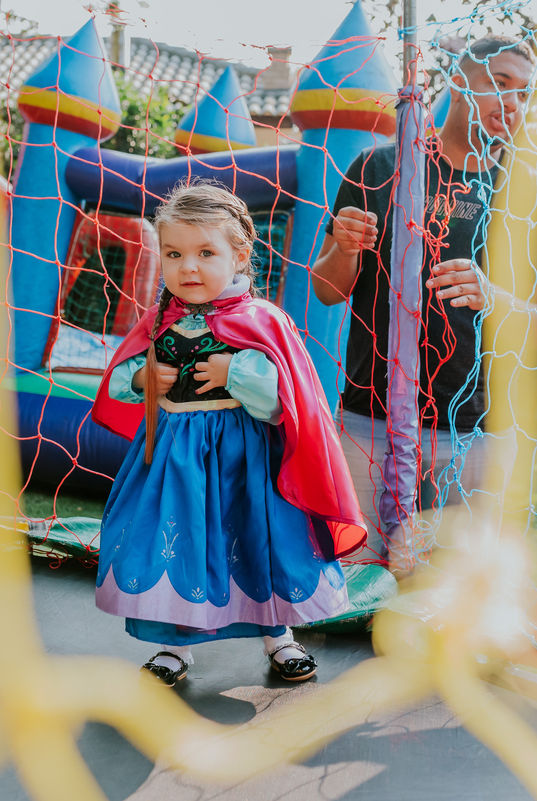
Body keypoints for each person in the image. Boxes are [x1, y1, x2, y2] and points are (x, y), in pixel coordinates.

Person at [313, 35, 537, 567]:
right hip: (372, 422)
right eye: (499, 85)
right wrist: (343, 248)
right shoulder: (378, 167)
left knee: (449, 605)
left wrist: (494, 297)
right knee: (352, 585)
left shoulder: (536, 196)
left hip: (479, 432)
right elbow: (326, 289)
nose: (512, 105)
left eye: (525, 94)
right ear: (457, 83)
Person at [91, 184, 366, 686]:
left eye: (205, 253)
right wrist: (141, 379)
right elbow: (121, 379)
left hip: (246, 463)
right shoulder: (159, 321)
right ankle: (176, 646)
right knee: (179, 544)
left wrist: (234, 371)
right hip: (176, 461)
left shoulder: (263, 320)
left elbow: (286, 401)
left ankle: (279, 636)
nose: (187, 268)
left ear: (239, 255)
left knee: (261, 540)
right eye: (174, 254)